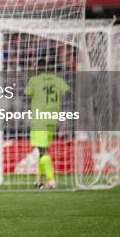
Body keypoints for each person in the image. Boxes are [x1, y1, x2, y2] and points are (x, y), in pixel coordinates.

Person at [25, 59, 69, 189]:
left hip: (39, 119)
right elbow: (68, 92)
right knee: (42, 149)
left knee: (42, 150)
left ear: (38, 68)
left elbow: (27, 94)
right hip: (53, 119)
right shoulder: (58, 80)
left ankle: (51, 180)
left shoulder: (34, 80)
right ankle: (39, 179)